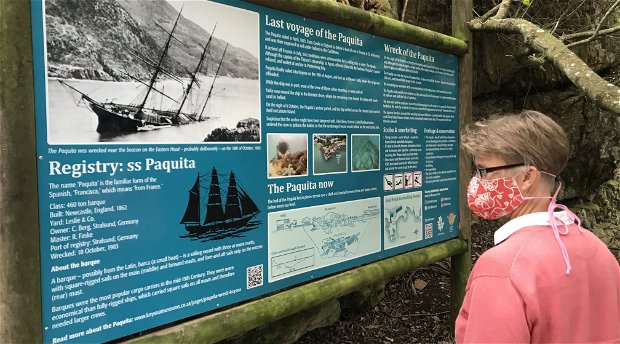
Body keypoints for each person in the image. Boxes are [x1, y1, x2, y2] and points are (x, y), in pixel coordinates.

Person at [455, 110, 620, 343]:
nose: (477, 181)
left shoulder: (503, 268)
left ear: (526, 177)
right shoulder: (599, 250)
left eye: (483, 171)